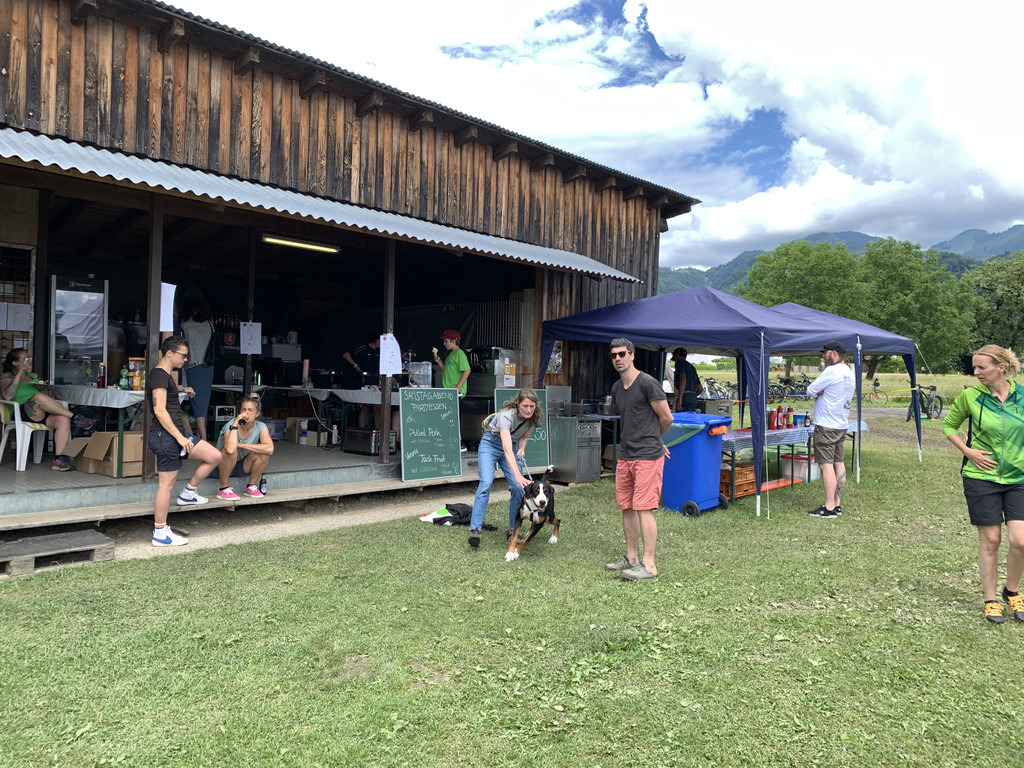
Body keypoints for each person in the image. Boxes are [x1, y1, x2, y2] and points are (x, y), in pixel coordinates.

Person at [943, 344, 1024, 625]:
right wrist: (968, 452)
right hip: (981, 478)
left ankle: (1011, 591)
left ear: (1001, 367)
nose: (976, 372)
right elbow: (949, 426)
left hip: (1018, 478)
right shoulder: (971, 396)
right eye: (974, 367)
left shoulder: (1022, 396)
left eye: (982, 367)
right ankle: (990, 600)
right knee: (991, 540)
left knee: (1020, 541)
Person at [604, 338, 673, 581]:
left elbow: (667, 418)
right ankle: (632, 558)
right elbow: (634, 421)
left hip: (647, 457)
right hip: (625, 456)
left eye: (622, 354)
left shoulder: (647, 383)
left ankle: (649, 565)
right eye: (614, 355)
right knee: (627, 506)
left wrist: (655, 441)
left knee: (644, 507)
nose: (618, 358)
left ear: (632, 355)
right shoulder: (616, 388)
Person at [146, 335, 222, 547]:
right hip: (166, 437)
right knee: (166, 486)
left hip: (175, 435)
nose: (185, 360)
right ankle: (160, 533)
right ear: (169, 353)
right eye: (183, 355)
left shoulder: (165, 375)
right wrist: (179, 438)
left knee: (214, 455)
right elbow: (159, 410)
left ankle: (188, 493)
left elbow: (169, 390)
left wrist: (183, 389)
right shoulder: (159, 375)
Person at [467, 387, 544, 548]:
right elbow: (507, 449)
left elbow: (524, 436)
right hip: (491, 444)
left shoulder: (532, 417)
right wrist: (518, 475)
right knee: (486, 482)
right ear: (518, 404)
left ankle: (513, 530)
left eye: (531, 406)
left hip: (512, 446)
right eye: (525, 406)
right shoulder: (505, 416)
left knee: (517, 487)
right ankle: (475, 530)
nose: (528, 409)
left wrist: (522, 448)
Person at [2, 348, 76, 470]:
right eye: (26, 358)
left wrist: (43, 388)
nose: (30, 360)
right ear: (15, 363)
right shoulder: (6, 377)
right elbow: (7, 396)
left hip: (41, 411)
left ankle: (59, 459)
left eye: (29, 357)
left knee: (63, 419)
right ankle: (75, 417)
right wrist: (18, 375)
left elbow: (48, 398)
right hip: (21, 412)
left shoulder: (33, 376)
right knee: (38, 397)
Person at [805, 340, 855, 519]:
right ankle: (837, 504)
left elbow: (810, 390)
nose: (823, 356)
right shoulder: (849, 372)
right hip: (841, 424)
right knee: (838, 463)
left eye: (825, 353)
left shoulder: (832, 371)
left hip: (826, 425)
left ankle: (829, 507)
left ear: (833, 353)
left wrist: (819, 391)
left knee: (825, 466)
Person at [214, 393, 274, 500]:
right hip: (220, 467)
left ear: (257, 414)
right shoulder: (230, 425)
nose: (246, 413)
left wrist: (242, 445)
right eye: (243, 409)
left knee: (263, 454)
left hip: (241, 465)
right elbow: (230, 449)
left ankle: (251, 487)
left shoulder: (260, 426)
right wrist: (235, 423)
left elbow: (270, 449)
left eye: (250, 410)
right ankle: (223, 489)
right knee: (231, 451)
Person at [178, 300, 216, 442]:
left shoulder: (185, 326)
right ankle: (200, 437)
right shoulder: (210, 325)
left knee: (196, 402)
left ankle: (203, 439)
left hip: (194, 366)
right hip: (208, 366)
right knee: (202, 403)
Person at [434, 329, 471, 451]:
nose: (444, 344)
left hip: (455, 392)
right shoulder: (451, 354)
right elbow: (447, 370)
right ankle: (454, 443)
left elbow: (467, 370)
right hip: (450, 391)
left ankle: (460, 444)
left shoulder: (459, 354)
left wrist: (458, 387)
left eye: (446, 341)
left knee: (453, 418)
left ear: (454, 341)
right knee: (449, 417)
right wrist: (439, 361)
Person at [343, 336, 383, 428]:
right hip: (364, 381)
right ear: (375, 341)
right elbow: (346, 355)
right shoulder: (364, 348)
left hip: (377, 381)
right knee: (364, 408)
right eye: (380, 341)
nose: (382, 344)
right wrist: (356, 366)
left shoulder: (382, 351)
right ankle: (361, 433)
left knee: (377, 409)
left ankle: (379, 433)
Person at [672, 347, 703, 412]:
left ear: (676, 355)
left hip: (684, 399)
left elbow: (683, 379)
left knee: (680, 418)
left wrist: (680, 398)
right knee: (690, 418)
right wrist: (692, 396)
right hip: (693, 400)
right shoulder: (692, 367)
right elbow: (700, 389)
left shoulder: (680, 363)